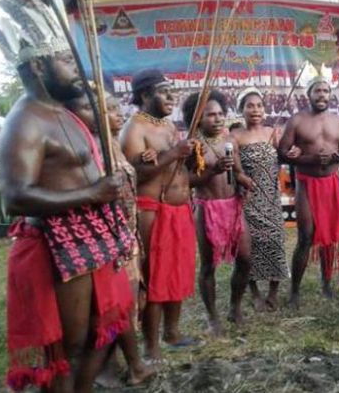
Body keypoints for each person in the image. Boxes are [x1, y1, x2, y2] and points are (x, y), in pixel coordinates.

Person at [0, 0, 134, 391]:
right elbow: (15, 196)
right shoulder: (25, 122)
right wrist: (92, 194)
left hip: (92, 236)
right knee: (68, 348)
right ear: (38, 65)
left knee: (97, 332)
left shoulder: (63, 110)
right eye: (66, 60)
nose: (76, 67)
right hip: (58, 243)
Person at [65, 92, 155, 387]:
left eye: (118, 108)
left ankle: (127, 365)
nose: (117, 114)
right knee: (117, 308)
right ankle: (114, 369)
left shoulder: (112, 144)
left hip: (126, 233)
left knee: (125, 305)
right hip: (107, 239)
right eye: (109, 110)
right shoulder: (91, 149)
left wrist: (142, 161)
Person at [120, 69, 199, 361]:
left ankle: (172, 333)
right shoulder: (134, 129)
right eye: (163, 91)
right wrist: (174, 153)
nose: (171, 96)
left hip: (179, 209)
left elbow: (174, 165)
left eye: (172, 90)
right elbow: (133, 175)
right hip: (152, 209)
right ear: (144, 95)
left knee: (176, 270)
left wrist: (190, 155)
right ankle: (151, 345)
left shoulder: (166, 126)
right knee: (154, 276)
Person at [182, 90, 252, 333]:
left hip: (233, 206)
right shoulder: (193, 145)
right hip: (206, 208)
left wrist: (245, 181)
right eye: (211, 115)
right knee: (209, 265)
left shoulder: (230, 141)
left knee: (245, 259)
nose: (218, 118)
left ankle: (235, 306)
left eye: (221, 113)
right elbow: (185, 182)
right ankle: (213, 317)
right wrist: (212, 170)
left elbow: (239, 172)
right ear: (198, 118)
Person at [278, 77, 339, 308]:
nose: (321, 95)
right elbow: (282, 152)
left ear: (331, 95)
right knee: (306, 236)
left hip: (331, 182)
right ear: (308, 95)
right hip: (306, 182)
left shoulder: (338, 121)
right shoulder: (297, 121)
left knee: (328, 237)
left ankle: (326, 284)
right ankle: (295, 292)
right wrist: (308, 158)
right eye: (317, 91)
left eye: (325, 91)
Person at [232, 87, 291, 310]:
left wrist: (289, 152)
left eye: (259, 106)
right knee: (251, 246)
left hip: (271, 198)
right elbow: (235, 170)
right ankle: (255, 292)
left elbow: (285, 157)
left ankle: (273, 292)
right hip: (248, 198)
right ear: (242, 110)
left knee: (275, 240)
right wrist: (241, 177)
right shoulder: (235, 135)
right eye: (250, 106)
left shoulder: (273, 133)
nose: (255, 110)